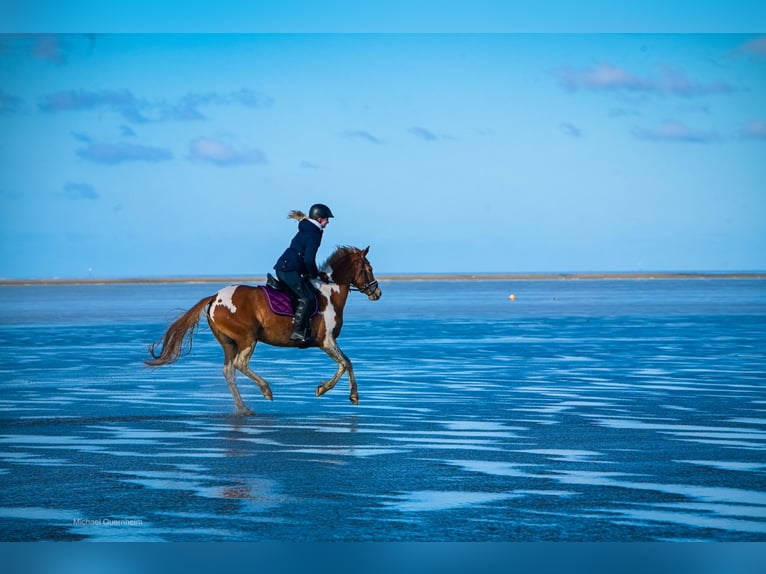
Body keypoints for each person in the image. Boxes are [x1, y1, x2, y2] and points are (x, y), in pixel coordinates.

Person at [274, 203, 334, 343]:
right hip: (289, 269)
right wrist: (314, 274)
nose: (328, 222)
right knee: (309, 298)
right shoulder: (313, 233)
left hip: (286, 267)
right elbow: (308, 259)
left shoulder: (308, 229)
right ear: (319, 219)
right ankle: (298, 332)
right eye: (326, 219)